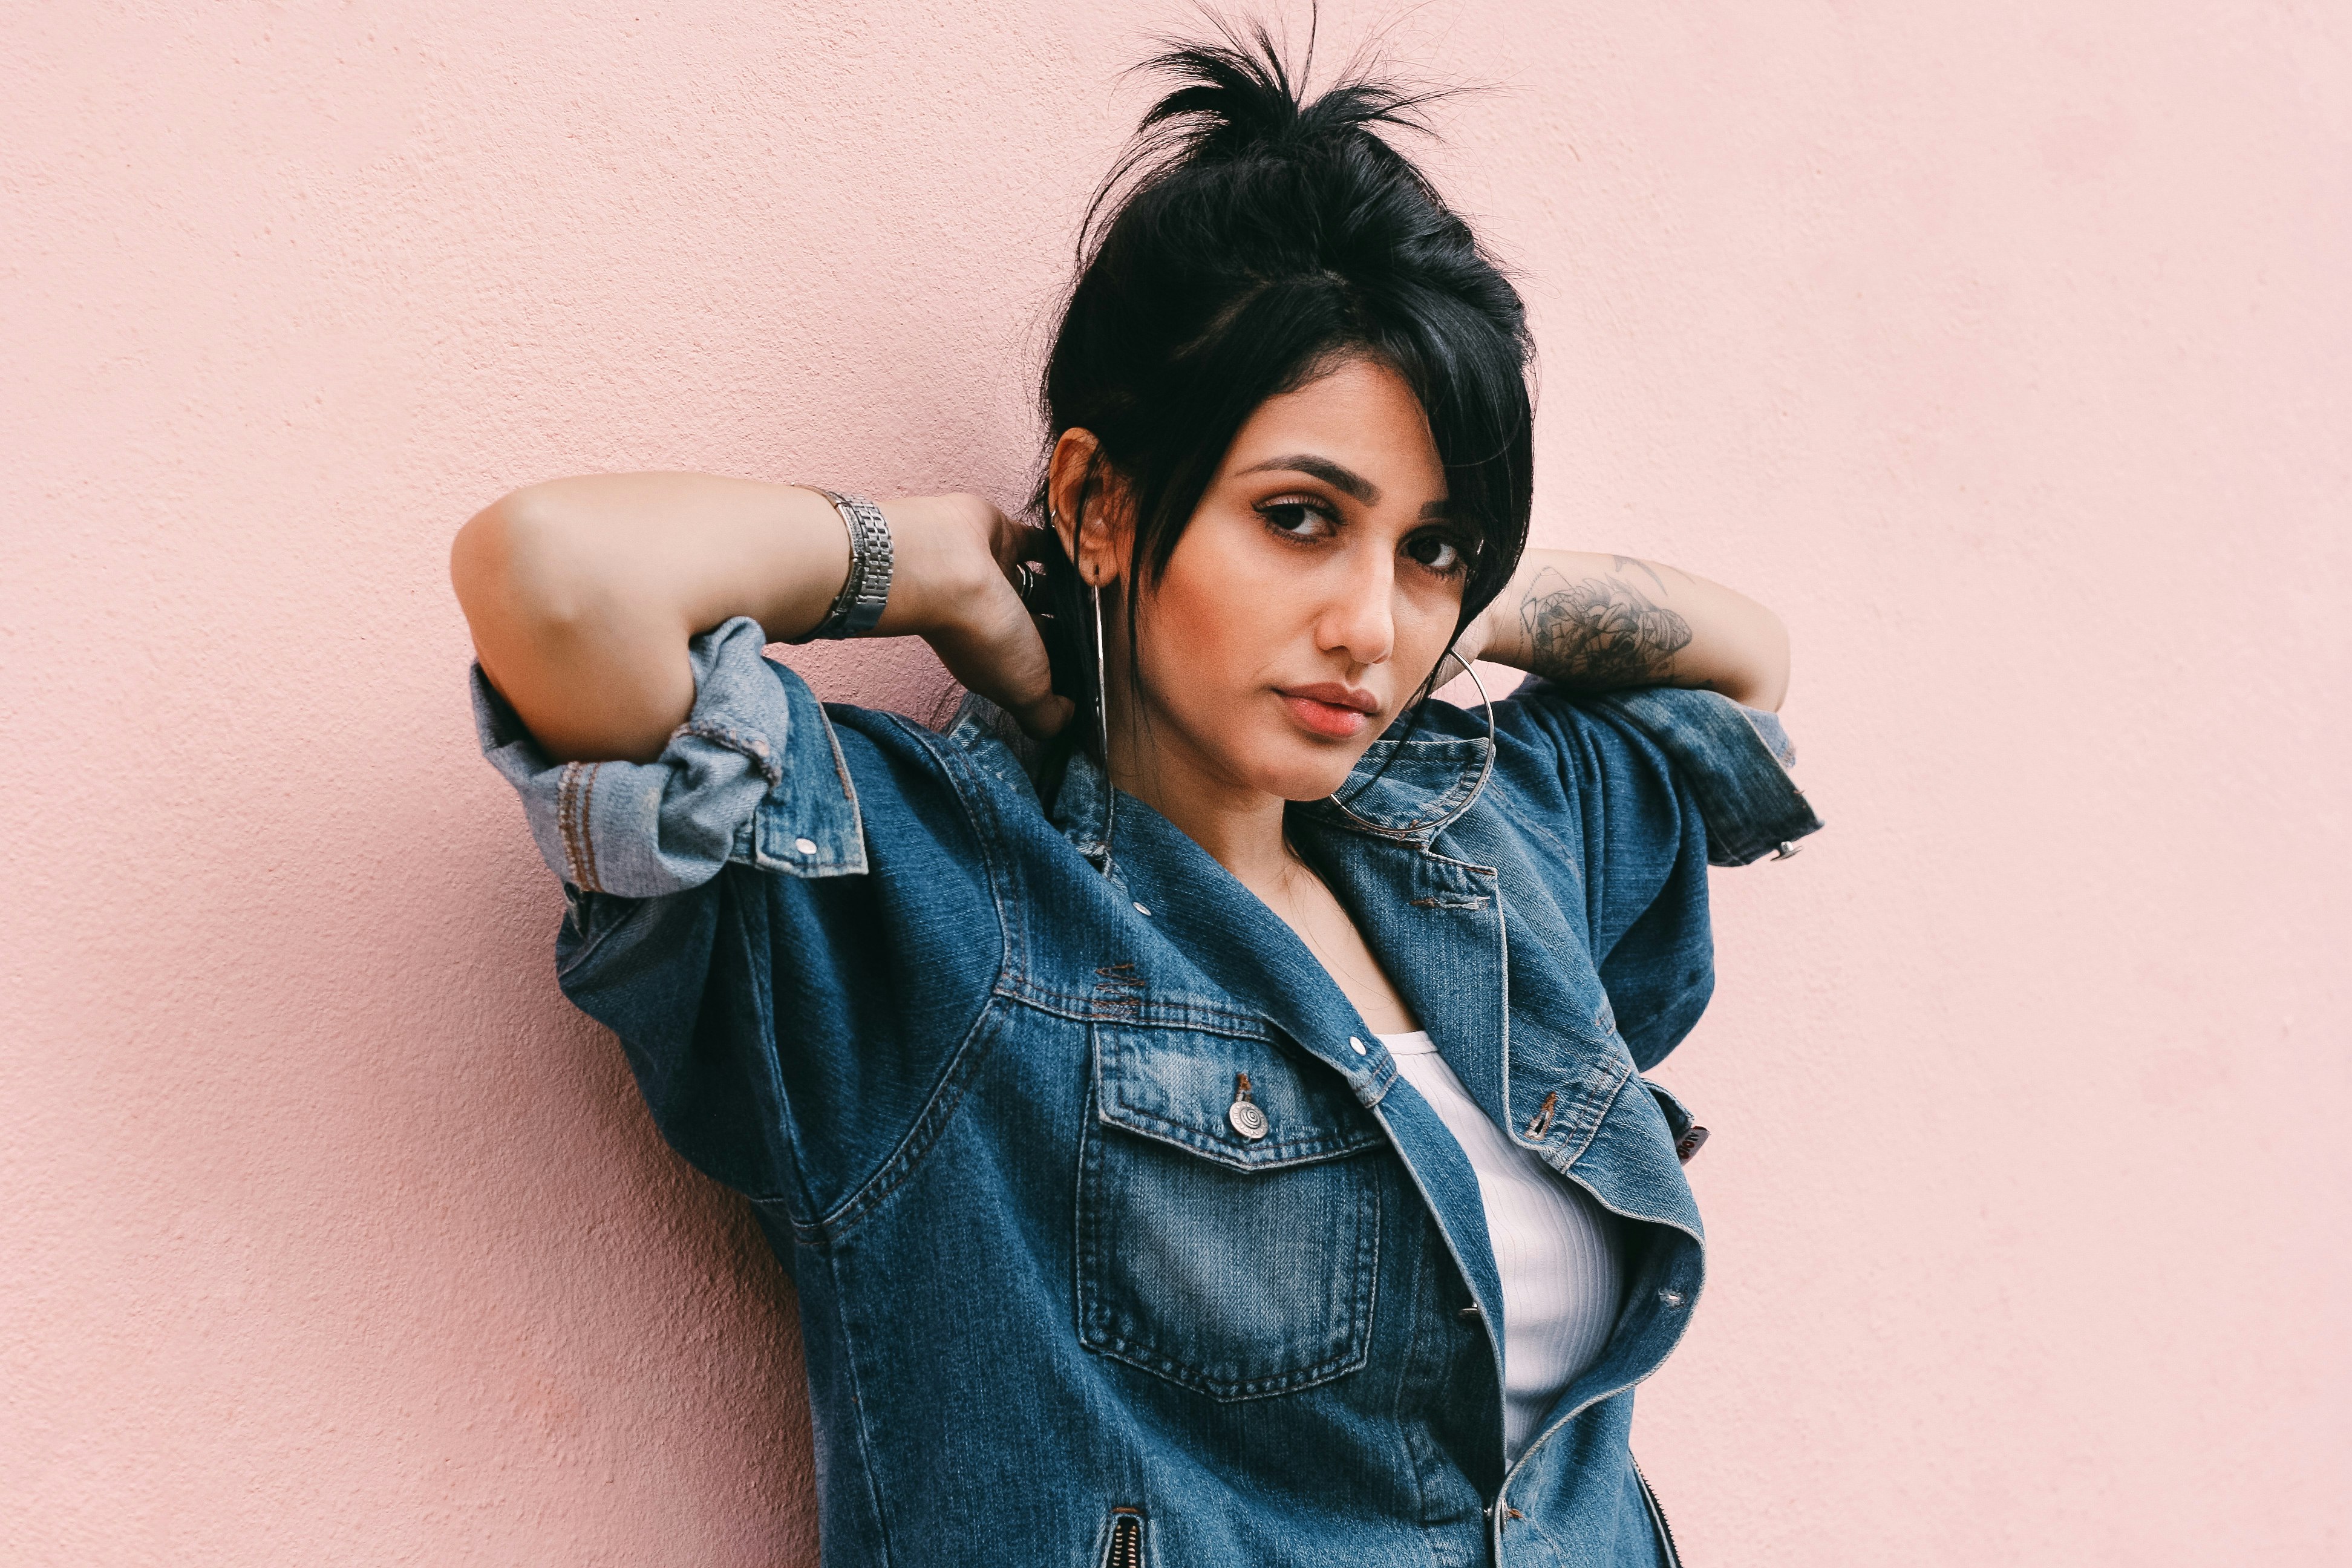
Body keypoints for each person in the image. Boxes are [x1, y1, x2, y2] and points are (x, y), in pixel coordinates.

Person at [452, 26, 1819, 1567]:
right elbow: (553, 580)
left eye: (1428, 546)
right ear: (1104, 500)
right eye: (1301, 520)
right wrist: (938, 564)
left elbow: (1741, 670)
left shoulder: (1495, 844)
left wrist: (1463, 595)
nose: (1367, 625)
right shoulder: (936, 903)